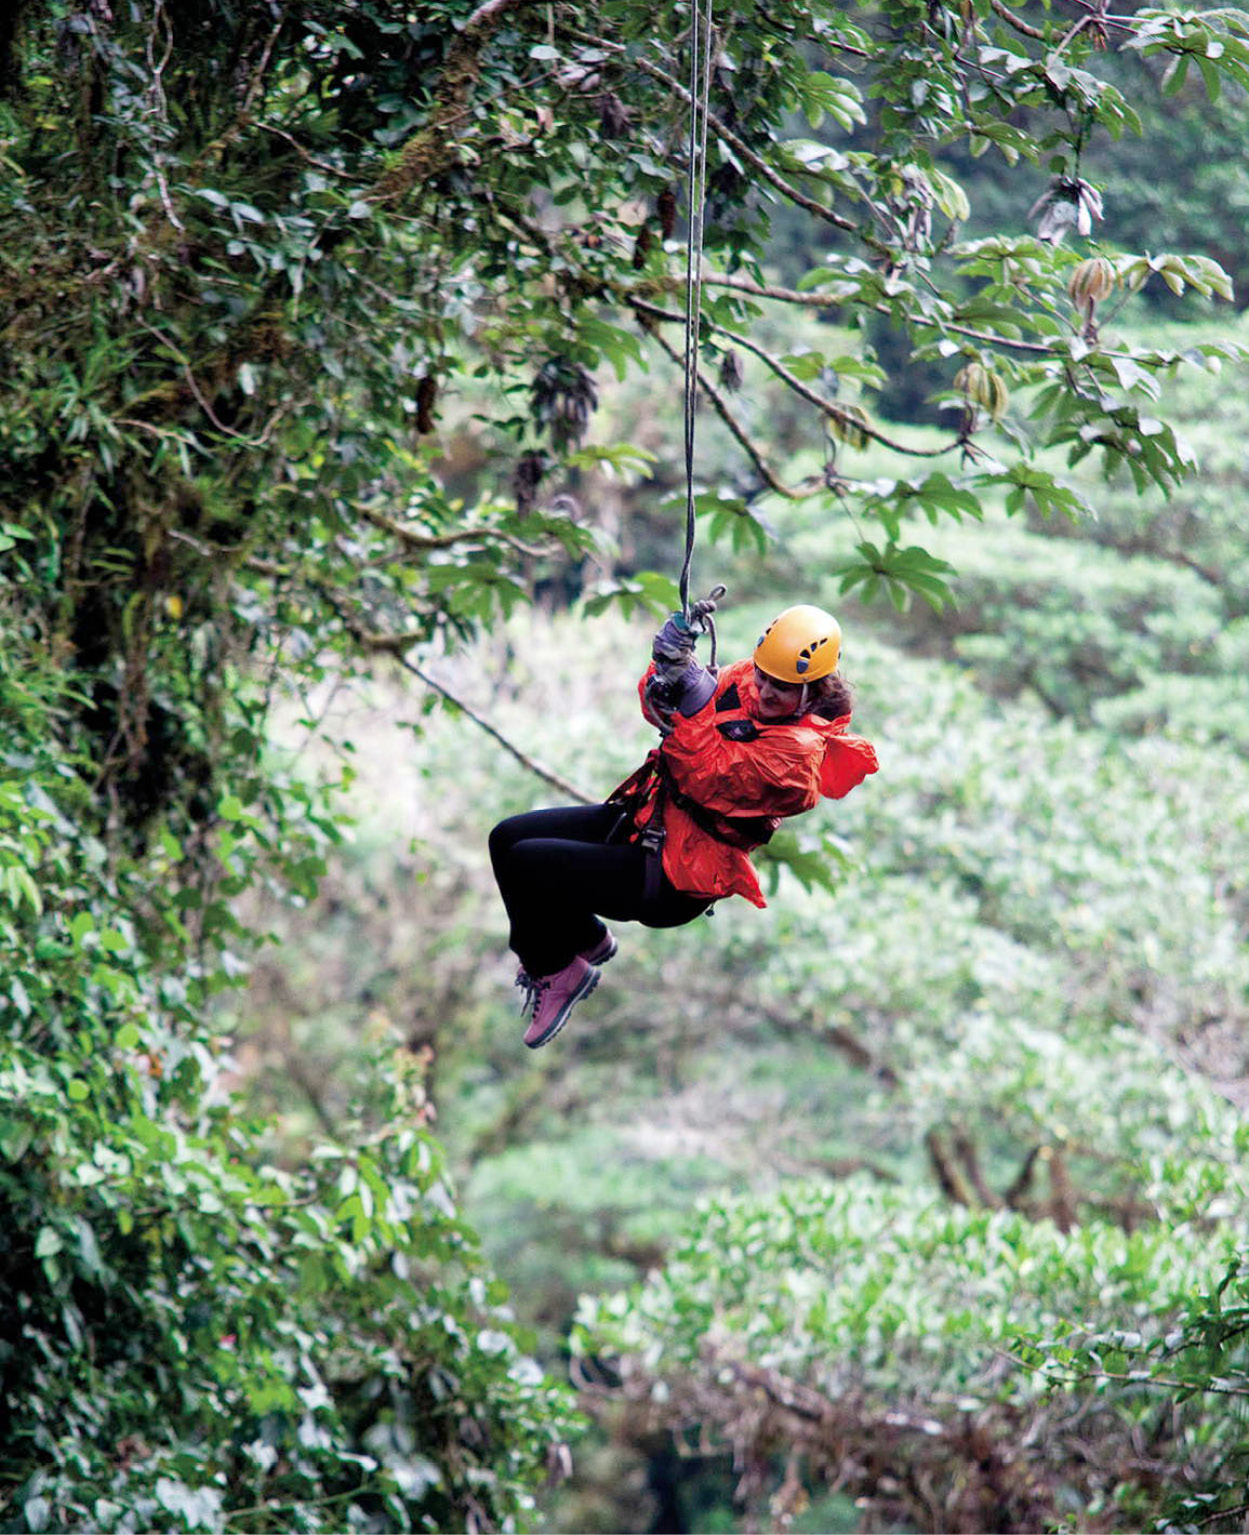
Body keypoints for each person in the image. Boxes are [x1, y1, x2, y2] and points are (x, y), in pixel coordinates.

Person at [488, 603, 879, 1049]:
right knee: (506, 838)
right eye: (765, 677)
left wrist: (692, 693)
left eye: (785, 688)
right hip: (646, 820)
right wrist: (665, 672)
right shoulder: (745, 681)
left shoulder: (799, 760)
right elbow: (662, 714)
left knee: (528, 864)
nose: (767, 691)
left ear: (814, 690)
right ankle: (586, 937)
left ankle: (556, 969)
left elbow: (708, 772)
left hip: (674, 878)